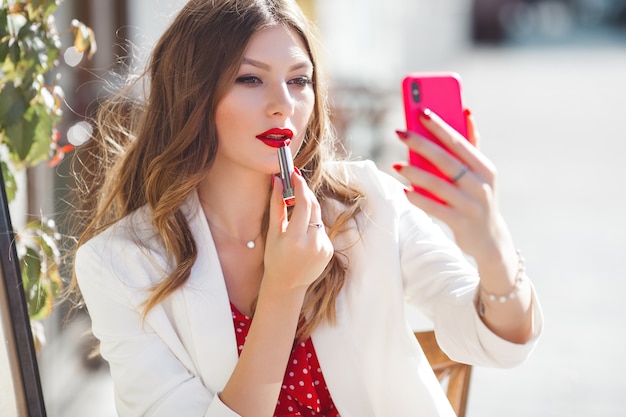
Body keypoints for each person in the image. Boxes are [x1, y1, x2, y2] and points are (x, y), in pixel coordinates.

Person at [70, 0, 543, 416]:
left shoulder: (364, 204)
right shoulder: (118, 264)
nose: (283, 105)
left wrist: (491, 247)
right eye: (250, 78)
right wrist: (283, 288)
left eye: (300, 81)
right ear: (191, 94)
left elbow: (499, 343)